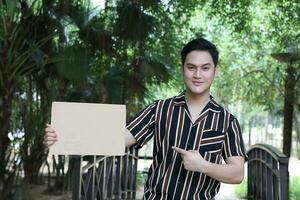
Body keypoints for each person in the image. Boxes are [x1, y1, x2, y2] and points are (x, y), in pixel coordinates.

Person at [45, 37, 247, 200]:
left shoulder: (227, 121)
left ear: (215, 71)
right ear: (183, 68)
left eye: (205, 68)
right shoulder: (159, 109)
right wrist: (61, 136)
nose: (197, 75)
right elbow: (117, 137)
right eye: (191, 67)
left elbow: (237, 174)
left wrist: (202, 165)